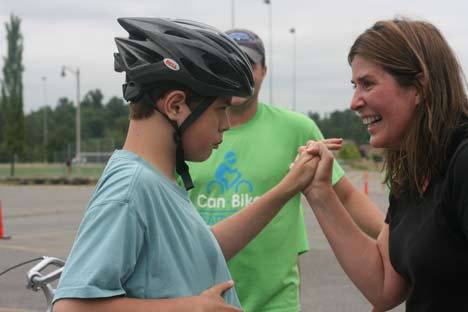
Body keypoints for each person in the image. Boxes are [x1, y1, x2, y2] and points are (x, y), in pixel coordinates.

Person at [51, 17, 323, 312]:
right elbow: (71, 307)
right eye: (220, 109)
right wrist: (192, 308)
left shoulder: (159, 182)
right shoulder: (130, 188)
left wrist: (287, 188)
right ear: (176, 106)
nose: (227, 124)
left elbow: (201, 250)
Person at [187, 28, 384, 312]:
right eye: (229, 64)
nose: (239, 74)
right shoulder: (189, 134)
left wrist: (399, 245)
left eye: (249, 64)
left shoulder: (297, 129)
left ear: (264, 71)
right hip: (202, 298)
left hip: (275, 302)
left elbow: (348, 197)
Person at [302, 18, 468, 311]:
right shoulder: (414, 167)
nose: (354, 102)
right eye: (355, 85)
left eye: (367, 83)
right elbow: (384, 285)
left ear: (418, 87)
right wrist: (320, 193)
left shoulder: (462, 159)